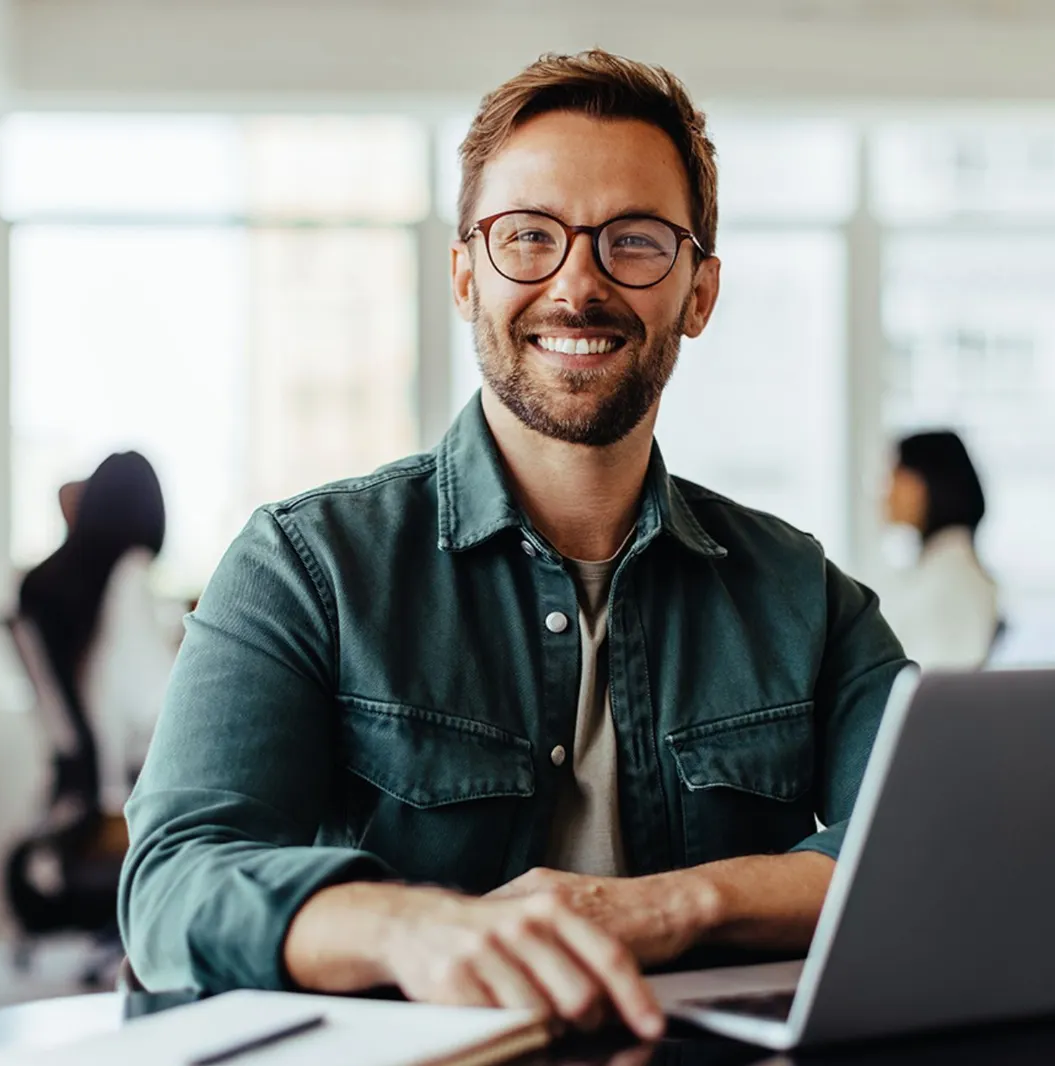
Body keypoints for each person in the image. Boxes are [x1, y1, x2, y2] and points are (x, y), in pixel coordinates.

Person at [119, 51, 908, 1038]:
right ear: (464, 275)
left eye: (634, 241)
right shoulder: (306, 566)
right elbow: (174, 883)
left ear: (698, 293)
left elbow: (927, 848)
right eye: (528, 236)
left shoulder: (806, 597)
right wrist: (409, 926)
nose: (576, 284)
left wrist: (671, 904)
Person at [19, 450, 174, 815]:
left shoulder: (43, 585)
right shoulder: (129, 576)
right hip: (126, 793)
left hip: (74, 789)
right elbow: (151, 704)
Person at [877, 431, 999, 670]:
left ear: (925, 483)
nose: (886, 492)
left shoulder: (953, 579)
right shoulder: (940, 567)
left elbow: (932, 686)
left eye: (895, 475)